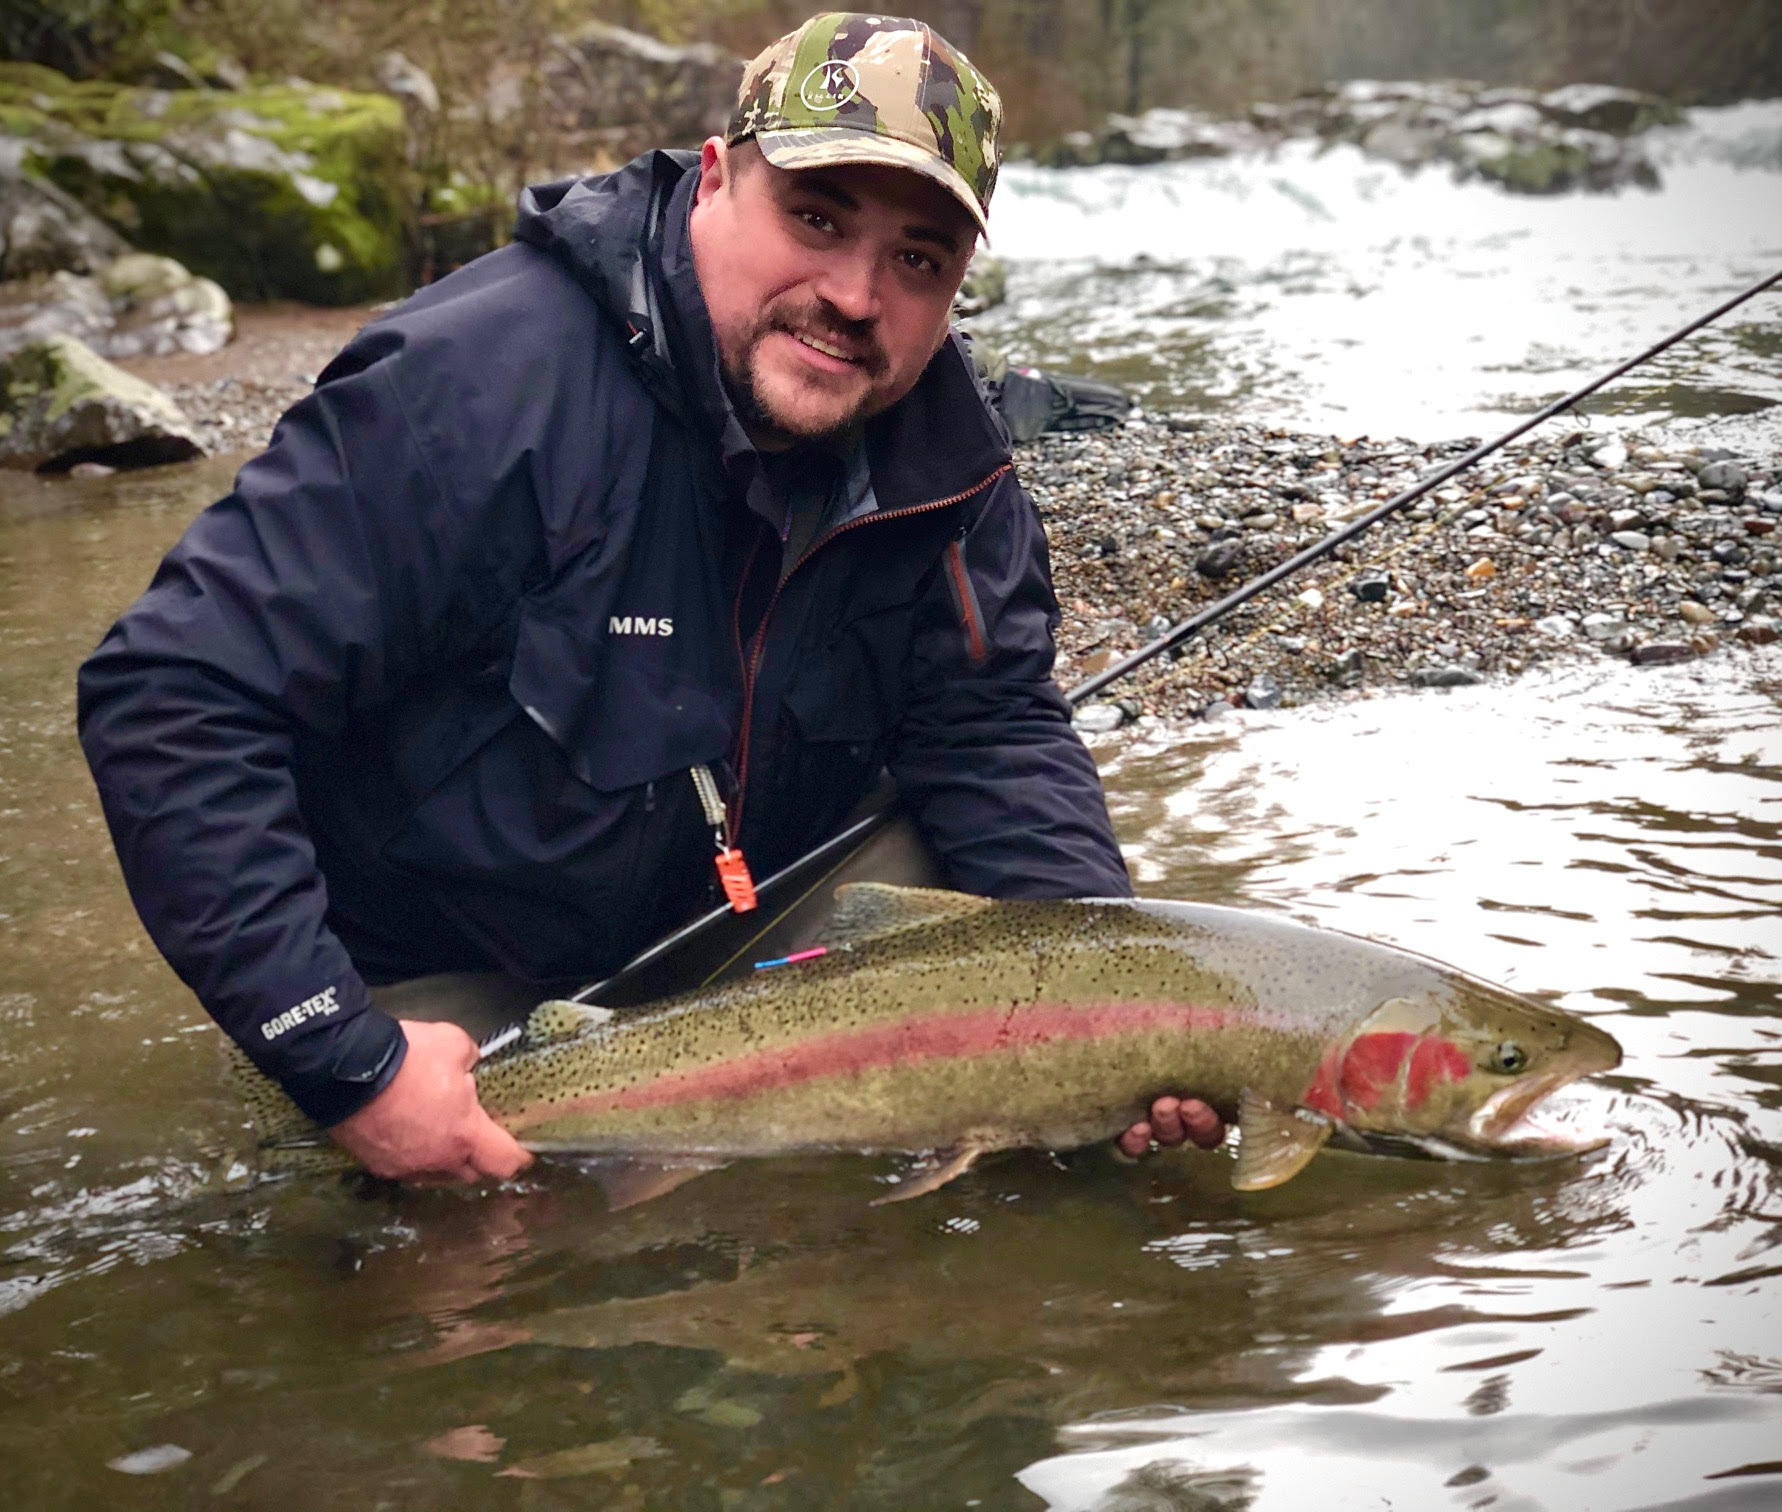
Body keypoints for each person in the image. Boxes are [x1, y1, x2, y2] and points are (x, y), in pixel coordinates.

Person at [77, 12, 1223, 1183]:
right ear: (713, 182)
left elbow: (992, 731)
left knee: (1002, 936)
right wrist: (340, 1058)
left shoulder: (950, 465)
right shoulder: (475, 386)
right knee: (461, 1276)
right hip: (450, 973)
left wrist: (1117, 1007)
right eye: (817, 218)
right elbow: (171, 696)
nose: (856, 295)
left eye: (917, 261)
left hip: (745, 934)